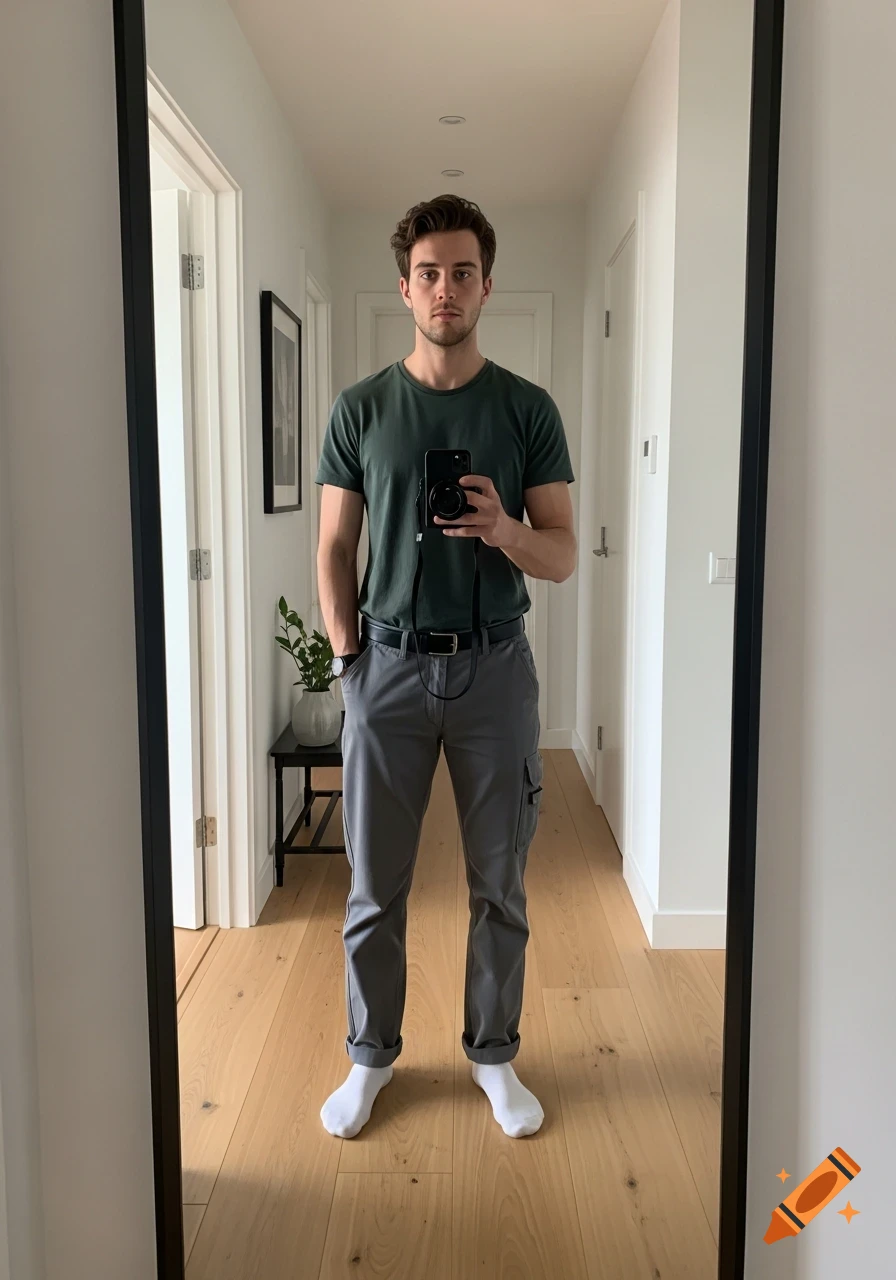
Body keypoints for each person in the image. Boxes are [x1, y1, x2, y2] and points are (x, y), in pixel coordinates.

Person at [315, 194, 576, 1141]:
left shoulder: (526, 408)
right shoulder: (361, 409)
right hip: (382, 668)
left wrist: (503, 528)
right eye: (429, 272)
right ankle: (369, 1059)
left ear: (486, 285)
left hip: (495, 670)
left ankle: (493, 1057)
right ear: (405, 288)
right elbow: (334, 548)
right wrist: (348, 659)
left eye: (463, 271)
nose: (446, 288)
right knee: (374, 885)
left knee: (499, 880)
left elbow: (563, 553)